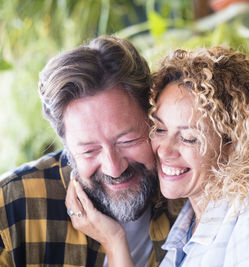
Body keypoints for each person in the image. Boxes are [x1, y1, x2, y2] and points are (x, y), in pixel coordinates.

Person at [67, 46, 249, 266]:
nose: (164, 150)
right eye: (159, 129)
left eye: (189, 137)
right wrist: (115, 243)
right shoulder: (192, 223)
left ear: (234, 142)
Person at [0, 35, 174, 267]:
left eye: (127, 141)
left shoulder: (187, 193)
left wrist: (115, 243)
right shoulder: (11, 206)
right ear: (67, 146)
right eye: (89, 150)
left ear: (152, 119)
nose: (114, 167)